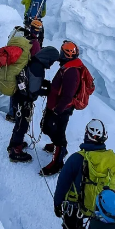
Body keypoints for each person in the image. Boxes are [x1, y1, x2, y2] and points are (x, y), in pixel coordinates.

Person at [39, 41, 83, 177]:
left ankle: (57, 162)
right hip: (57, 107)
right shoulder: (67, 67)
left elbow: (68, 95)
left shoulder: (71, 71)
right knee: (48, 128)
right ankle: (58, 148)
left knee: (58, 133)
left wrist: (57, 111)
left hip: (61, 109)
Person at [8, 46, 59, 162]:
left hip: (18, 97)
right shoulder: (38, 67)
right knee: (22, 125)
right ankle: (15, 151)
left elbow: (31, 79)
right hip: (24, 100)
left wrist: (44, 83)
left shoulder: (34, 61)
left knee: (19, 123)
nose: (52, 63)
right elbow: (33, 90)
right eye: (52, 60)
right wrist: (47, 91)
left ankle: (14, 144)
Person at [6, 23, 43, 123]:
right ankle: (17, 115)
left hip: (16, 67)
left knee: (15, 91)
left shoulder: (22, 36)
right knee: (22, 94)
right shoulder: (35, 43)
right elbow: (36, 57)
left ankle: (11, 113)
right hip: (25, 71)